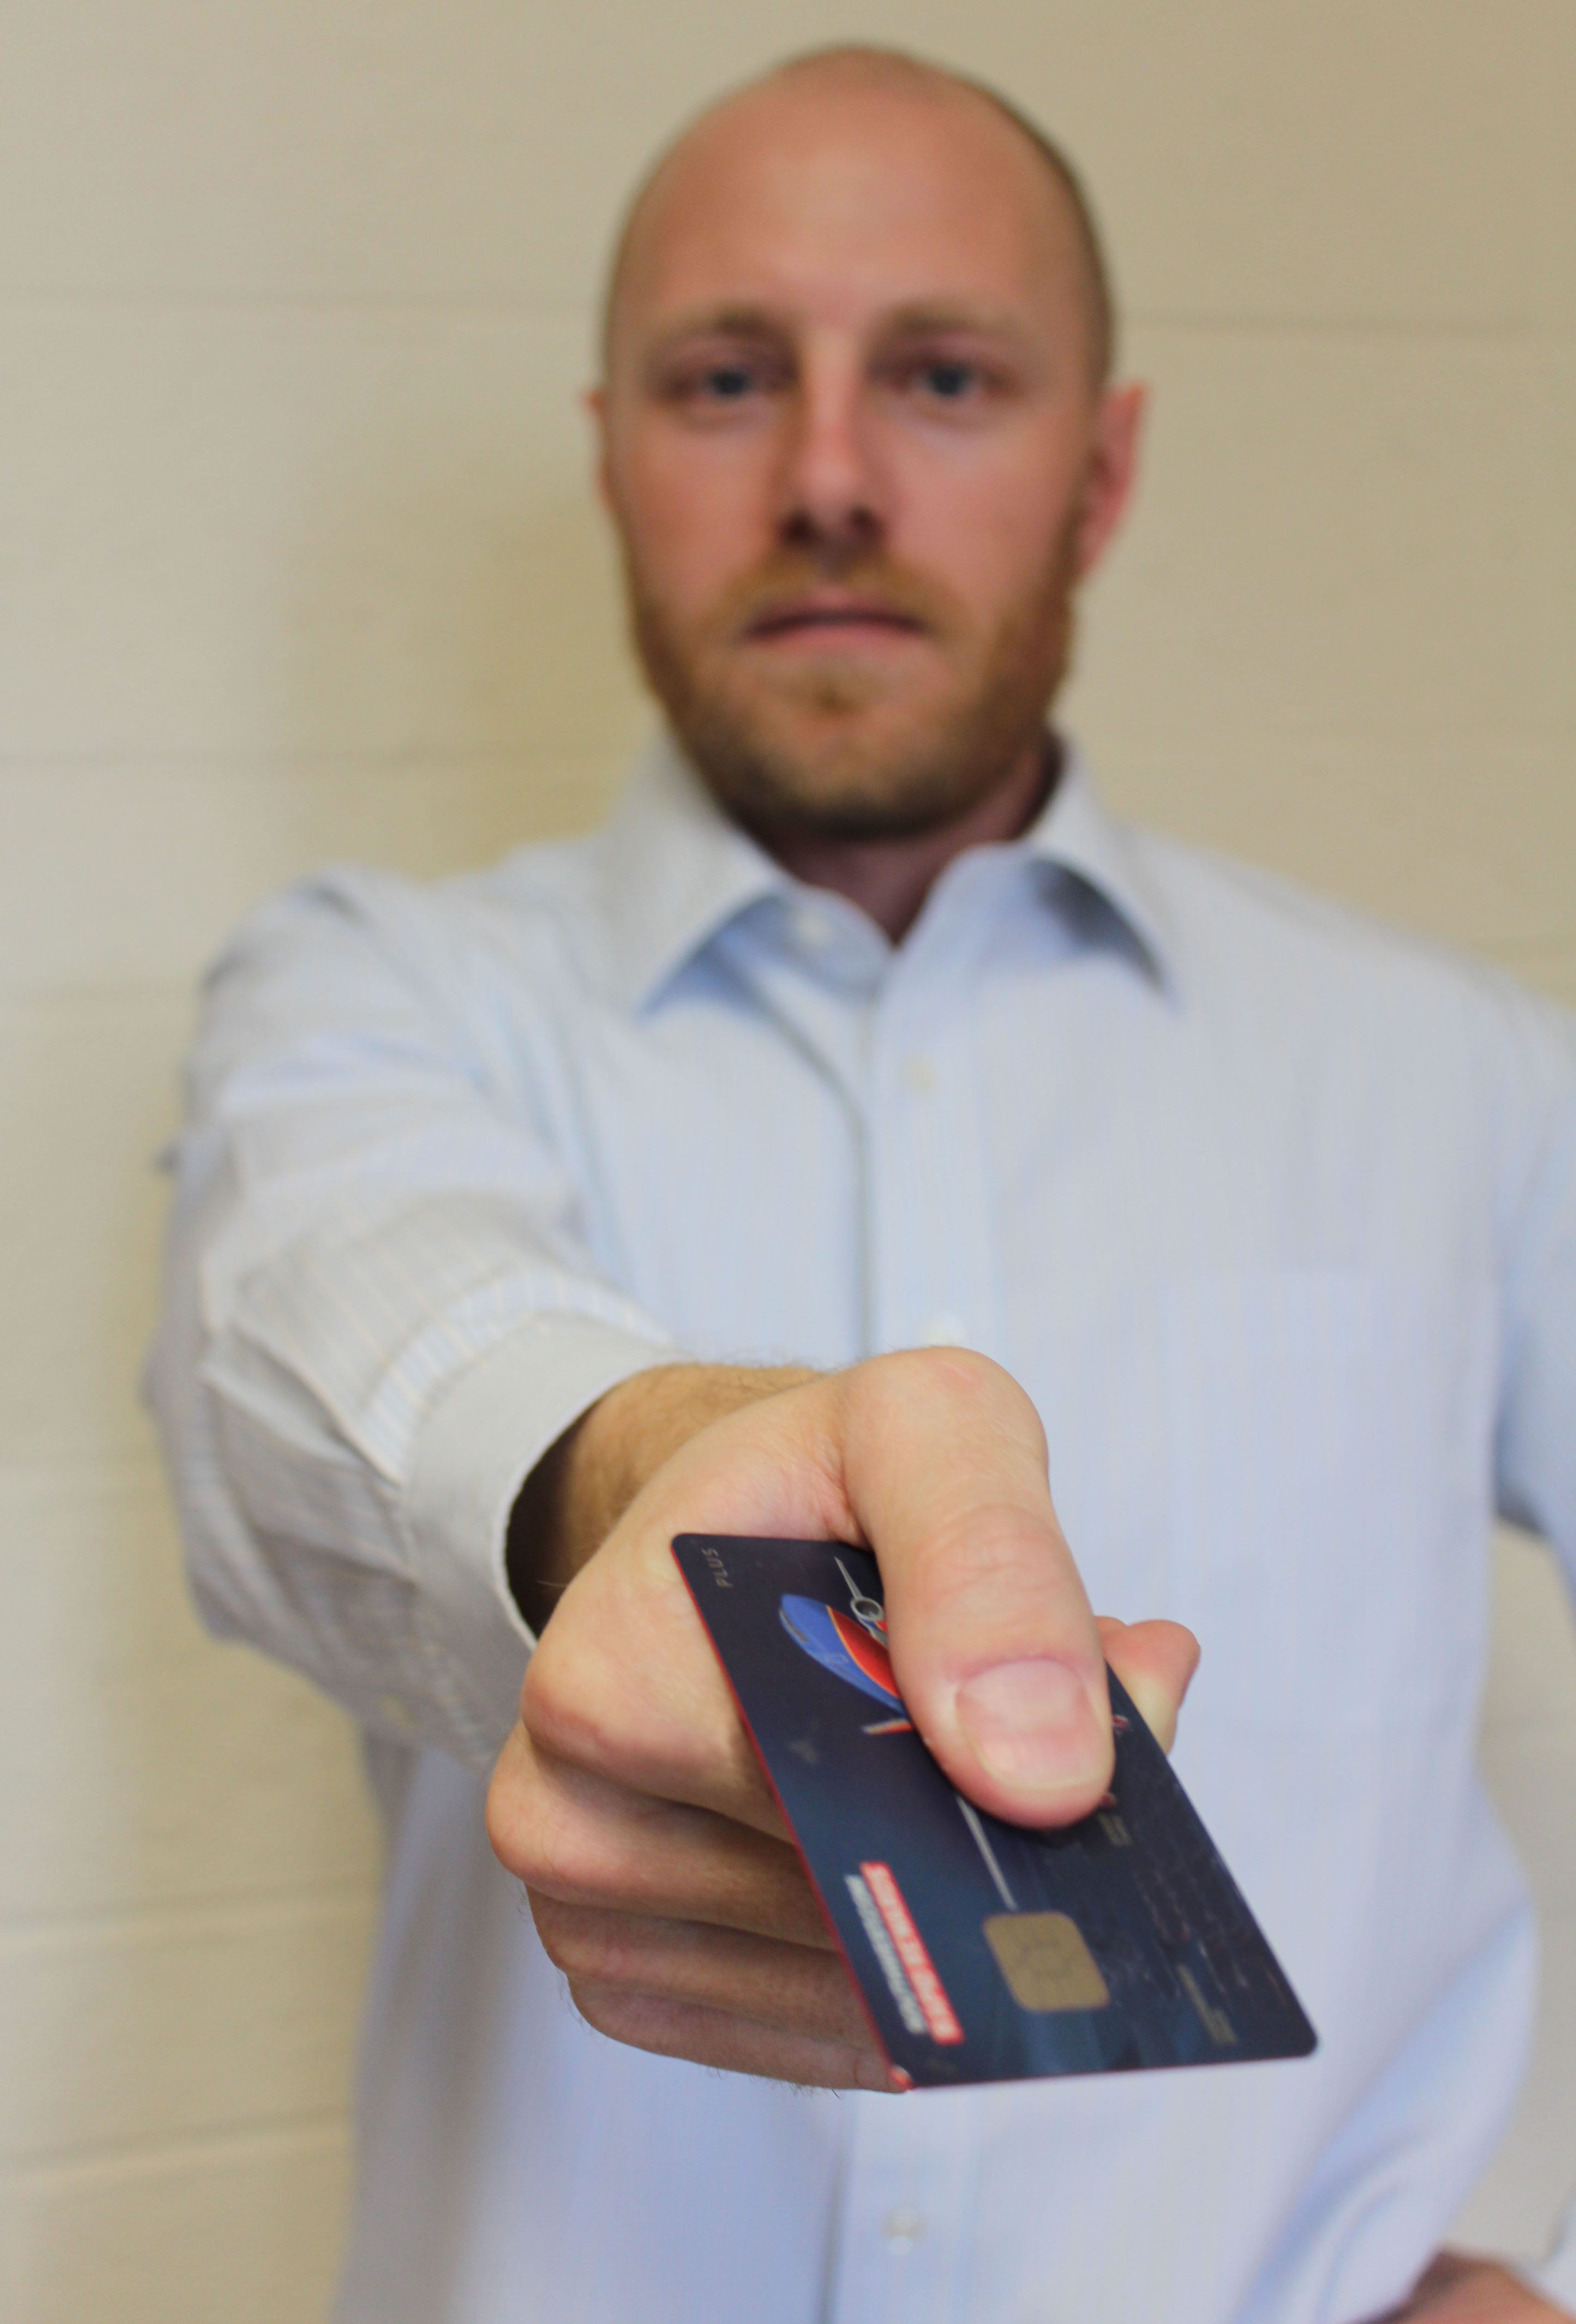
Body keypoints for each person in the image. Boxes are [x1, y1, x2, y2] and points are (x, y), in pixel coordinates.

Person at [146, 44, 1576, 2324]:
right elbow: (317, 1330)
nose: (826, 475)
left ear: (1097, 470)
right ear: (610, 457)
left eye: (939, 374)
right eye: (725, 380)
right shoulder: (371, 998)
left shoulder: (1466, 1077)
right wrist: (638, 1473)